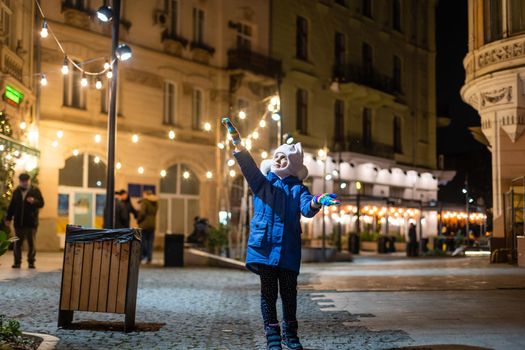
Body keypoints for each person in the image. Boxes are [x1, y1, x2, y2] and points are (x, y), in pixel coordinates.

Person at [223, 118, 340, 350]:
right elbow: (247, 165)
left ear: (292, 165)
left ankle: (290, 333)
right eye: (276, 156)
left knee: (288, 294)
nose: (278, 159)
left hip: (287, 250)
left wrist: (318, 201)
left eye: (283, 157)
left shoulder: (298, 189)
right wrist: (237, 142)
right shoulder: (262, 184)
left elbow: (306, 208)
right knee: (268, 293)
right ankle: (272, 335)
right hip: (264, 247)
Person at [5, 173, 45, 269]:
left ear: (28, 180)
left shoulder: (35, 191)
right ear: (20, 181)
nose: (24, 183)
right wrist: (8, 218)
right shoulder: (16, 192)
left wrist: (34, 201)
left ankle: (31, 262)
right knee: (17, 244)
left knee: (31, 244)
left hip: (31, 223)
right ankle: (17, 262)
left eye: (26, 181)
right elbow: (11, 207)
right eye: (22, 181)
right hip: (18, 223)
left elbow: (42, 203)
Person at [137, 189, 158, 263]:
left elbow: (142, 213)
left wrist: (138, 220)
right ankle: (149, 258)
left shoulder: (145, 202)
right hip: (152, 224)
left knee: (142, 242)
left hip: (144, 224)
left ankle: (141, 256)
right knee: (150, 242)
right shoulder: (155, 202)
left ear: (146, 194)